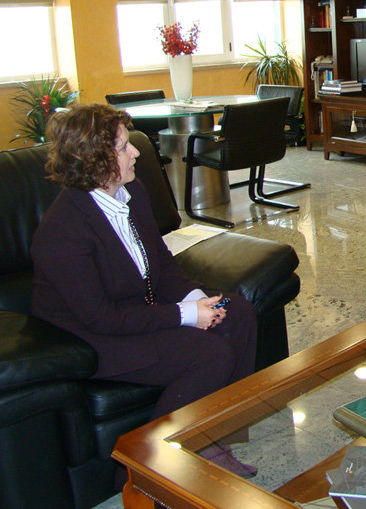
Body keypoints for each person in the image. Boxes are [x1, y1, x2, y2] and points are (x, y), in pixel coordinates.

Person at [31, 103, 258, 477]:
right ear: (93, 160)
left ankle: (214, 439)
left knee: (239, 314)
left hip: (134, 311)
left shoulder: (131, 193)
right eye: (123, 147)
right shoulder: (63, 231)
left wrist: (194, 299)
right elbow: (100, 317)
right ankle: (143, 469)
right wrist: (186, 316)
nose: (136, 151)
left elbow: (162, 264)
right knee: (210, 353)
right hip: (89, 339)